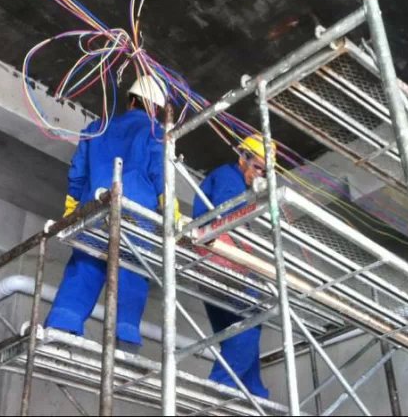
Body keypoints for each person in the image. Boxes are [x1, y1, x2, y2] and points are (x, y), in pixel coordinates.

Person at [44, 76, 169, 350]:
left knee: (85, 268)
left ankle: (60, 329)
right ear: (156, 109)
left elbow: (78, 173)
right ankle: (124, 341)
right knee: (131, 276)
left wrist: (72, 210)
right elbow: (161, 175)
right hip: (136, 218)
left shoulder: (96, 128)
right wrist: (173, 213)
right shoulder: (155, 133)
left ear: (131, 100)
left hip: (95, 212)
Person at [192, 134, 274, 399]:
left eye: (265, 171)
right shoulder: (230, 178)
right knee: (251, 319)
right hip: (222, 261)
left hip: (210, 265)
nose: (260, 174)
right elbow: (229, 219)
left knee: (234, 331)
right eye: (257, 167)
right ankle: (221, 385)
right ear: (243, 158)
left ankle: (254, 388)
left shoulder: (231, 181)